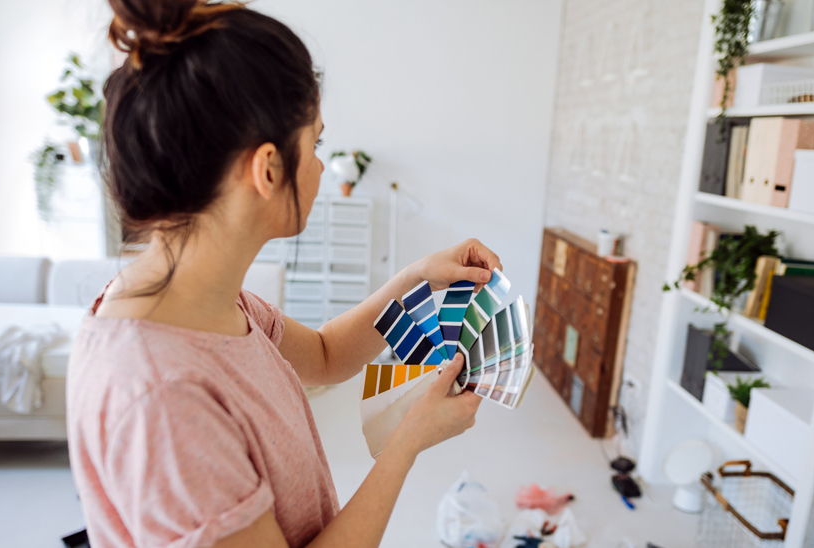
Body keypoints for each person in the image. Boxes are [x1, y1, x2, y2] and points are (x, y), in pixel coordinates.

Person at [66, 1, 502, 546]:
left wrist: (420, 276)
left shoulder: (205, 302)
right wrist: (405, 444)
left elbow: (324, 355)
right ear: (268, 168)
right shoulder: (164, 397)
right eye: (314, 143)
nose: (320, 166)